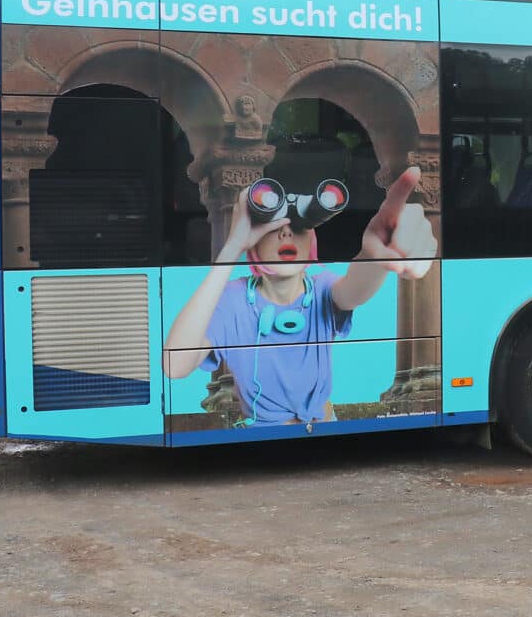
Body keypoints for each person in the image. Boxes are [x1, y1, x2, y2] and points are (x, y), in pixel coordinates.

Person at [164, 167, 436, 427]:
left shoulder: (321, 288)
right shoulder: (233, 301)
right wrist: (233, 245)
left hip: (324, 431)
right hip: (263, 441)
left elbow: (354, 290)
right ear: (254, 241)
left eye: (300, 225)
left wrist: (375, 256)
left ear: (312, 241)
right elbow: (174, 366)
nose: (287, 232)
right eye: (273, 225)